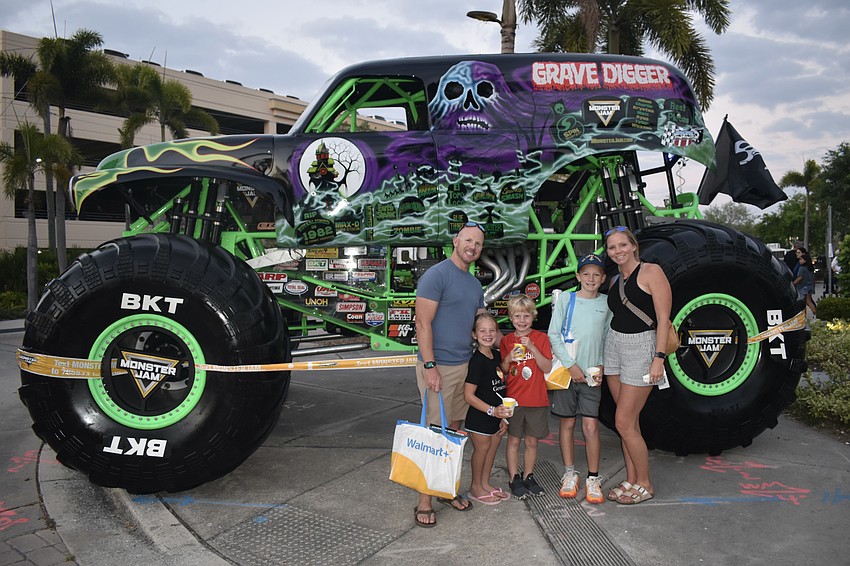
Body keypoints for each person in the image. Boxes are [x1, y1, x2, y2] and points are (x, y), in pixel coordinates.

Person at [412, 220, 486, 527]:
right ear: (456, 241)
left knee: (453, 432)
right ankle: (424, 501)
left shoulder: (474, 284)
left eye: (478, 243)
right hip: (438, 366)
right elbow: (422, 322)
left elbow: (479, 322)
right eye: (468, 240)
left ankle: (445, 490)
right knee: (434, 434)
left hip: (464, 366)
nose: (472, 247)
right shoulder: (437, 275)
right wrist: (430, 366)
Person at [603, 226, 672, 505]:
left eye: (622, 245)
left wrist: (659, 358)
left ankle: (645, 483)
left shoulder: (651, 272)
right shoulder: (614, 280)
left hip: (641, 347)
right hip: (614, 347)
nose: (617, 251)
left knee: (623, 421)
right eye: (611, 247)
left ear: (633, 246)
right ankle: (631, 479)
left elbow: (663, 319)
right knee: (627, 423)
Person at [547, 254, 612, 504]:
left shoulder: (606, 303)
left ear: (603, 278)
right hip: (567, 374)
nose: (591, 279)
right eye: (586, 274)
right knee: (567, 424)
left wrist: (602, 364)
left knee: (591, 426)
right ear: (578, 276)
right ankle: (569, 473)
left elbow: (606, 338)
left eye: (596, 274)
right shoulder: (567, 298)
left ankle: (593, 478)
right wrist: (570, 365)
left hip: (592, 375)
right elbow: (553, 334)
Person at [499, 294, 553, 499]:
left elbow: (547, 367)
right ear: (511, 318)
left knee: (531, 441)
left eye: (526, 316)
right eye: (517, 316)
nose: (522, 321)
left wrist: (532, 347)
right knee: (513, 440)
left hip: (536, 398)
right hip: (513, 399)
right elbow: (504, 370)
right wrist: (508, 358)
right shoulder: (506, 340)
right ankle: (514, 478)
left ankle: (528, 475)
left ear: (533, 317)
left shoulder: (541, 338)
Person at [463, 312, 512, 505]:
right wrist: (491, 410)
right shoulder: (477, 361)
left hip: (496, 416)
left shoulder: (497, 355)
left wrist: (502, 416)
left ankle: (485, 483)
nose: (488, 334)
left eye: (492, 330)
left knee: (492, 449)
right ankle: (475, 487)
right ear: (474, 334)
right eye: (482, 331)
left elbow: (500, 384)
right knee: (482, 449)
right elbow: (468, 395)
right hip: (480, 417)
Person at [794, 251, 817, 318]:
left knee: (806, 302)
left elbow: (800, 277)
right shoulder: (810, 268)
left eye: (801, 259)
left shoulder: (802, 268)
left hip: (803, 287)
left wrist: (793, 283)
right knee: (808, 301)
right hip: (809, 286)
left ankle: (814, 314)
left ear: (805, 260)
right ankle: (814, 314)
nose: (800, 261)